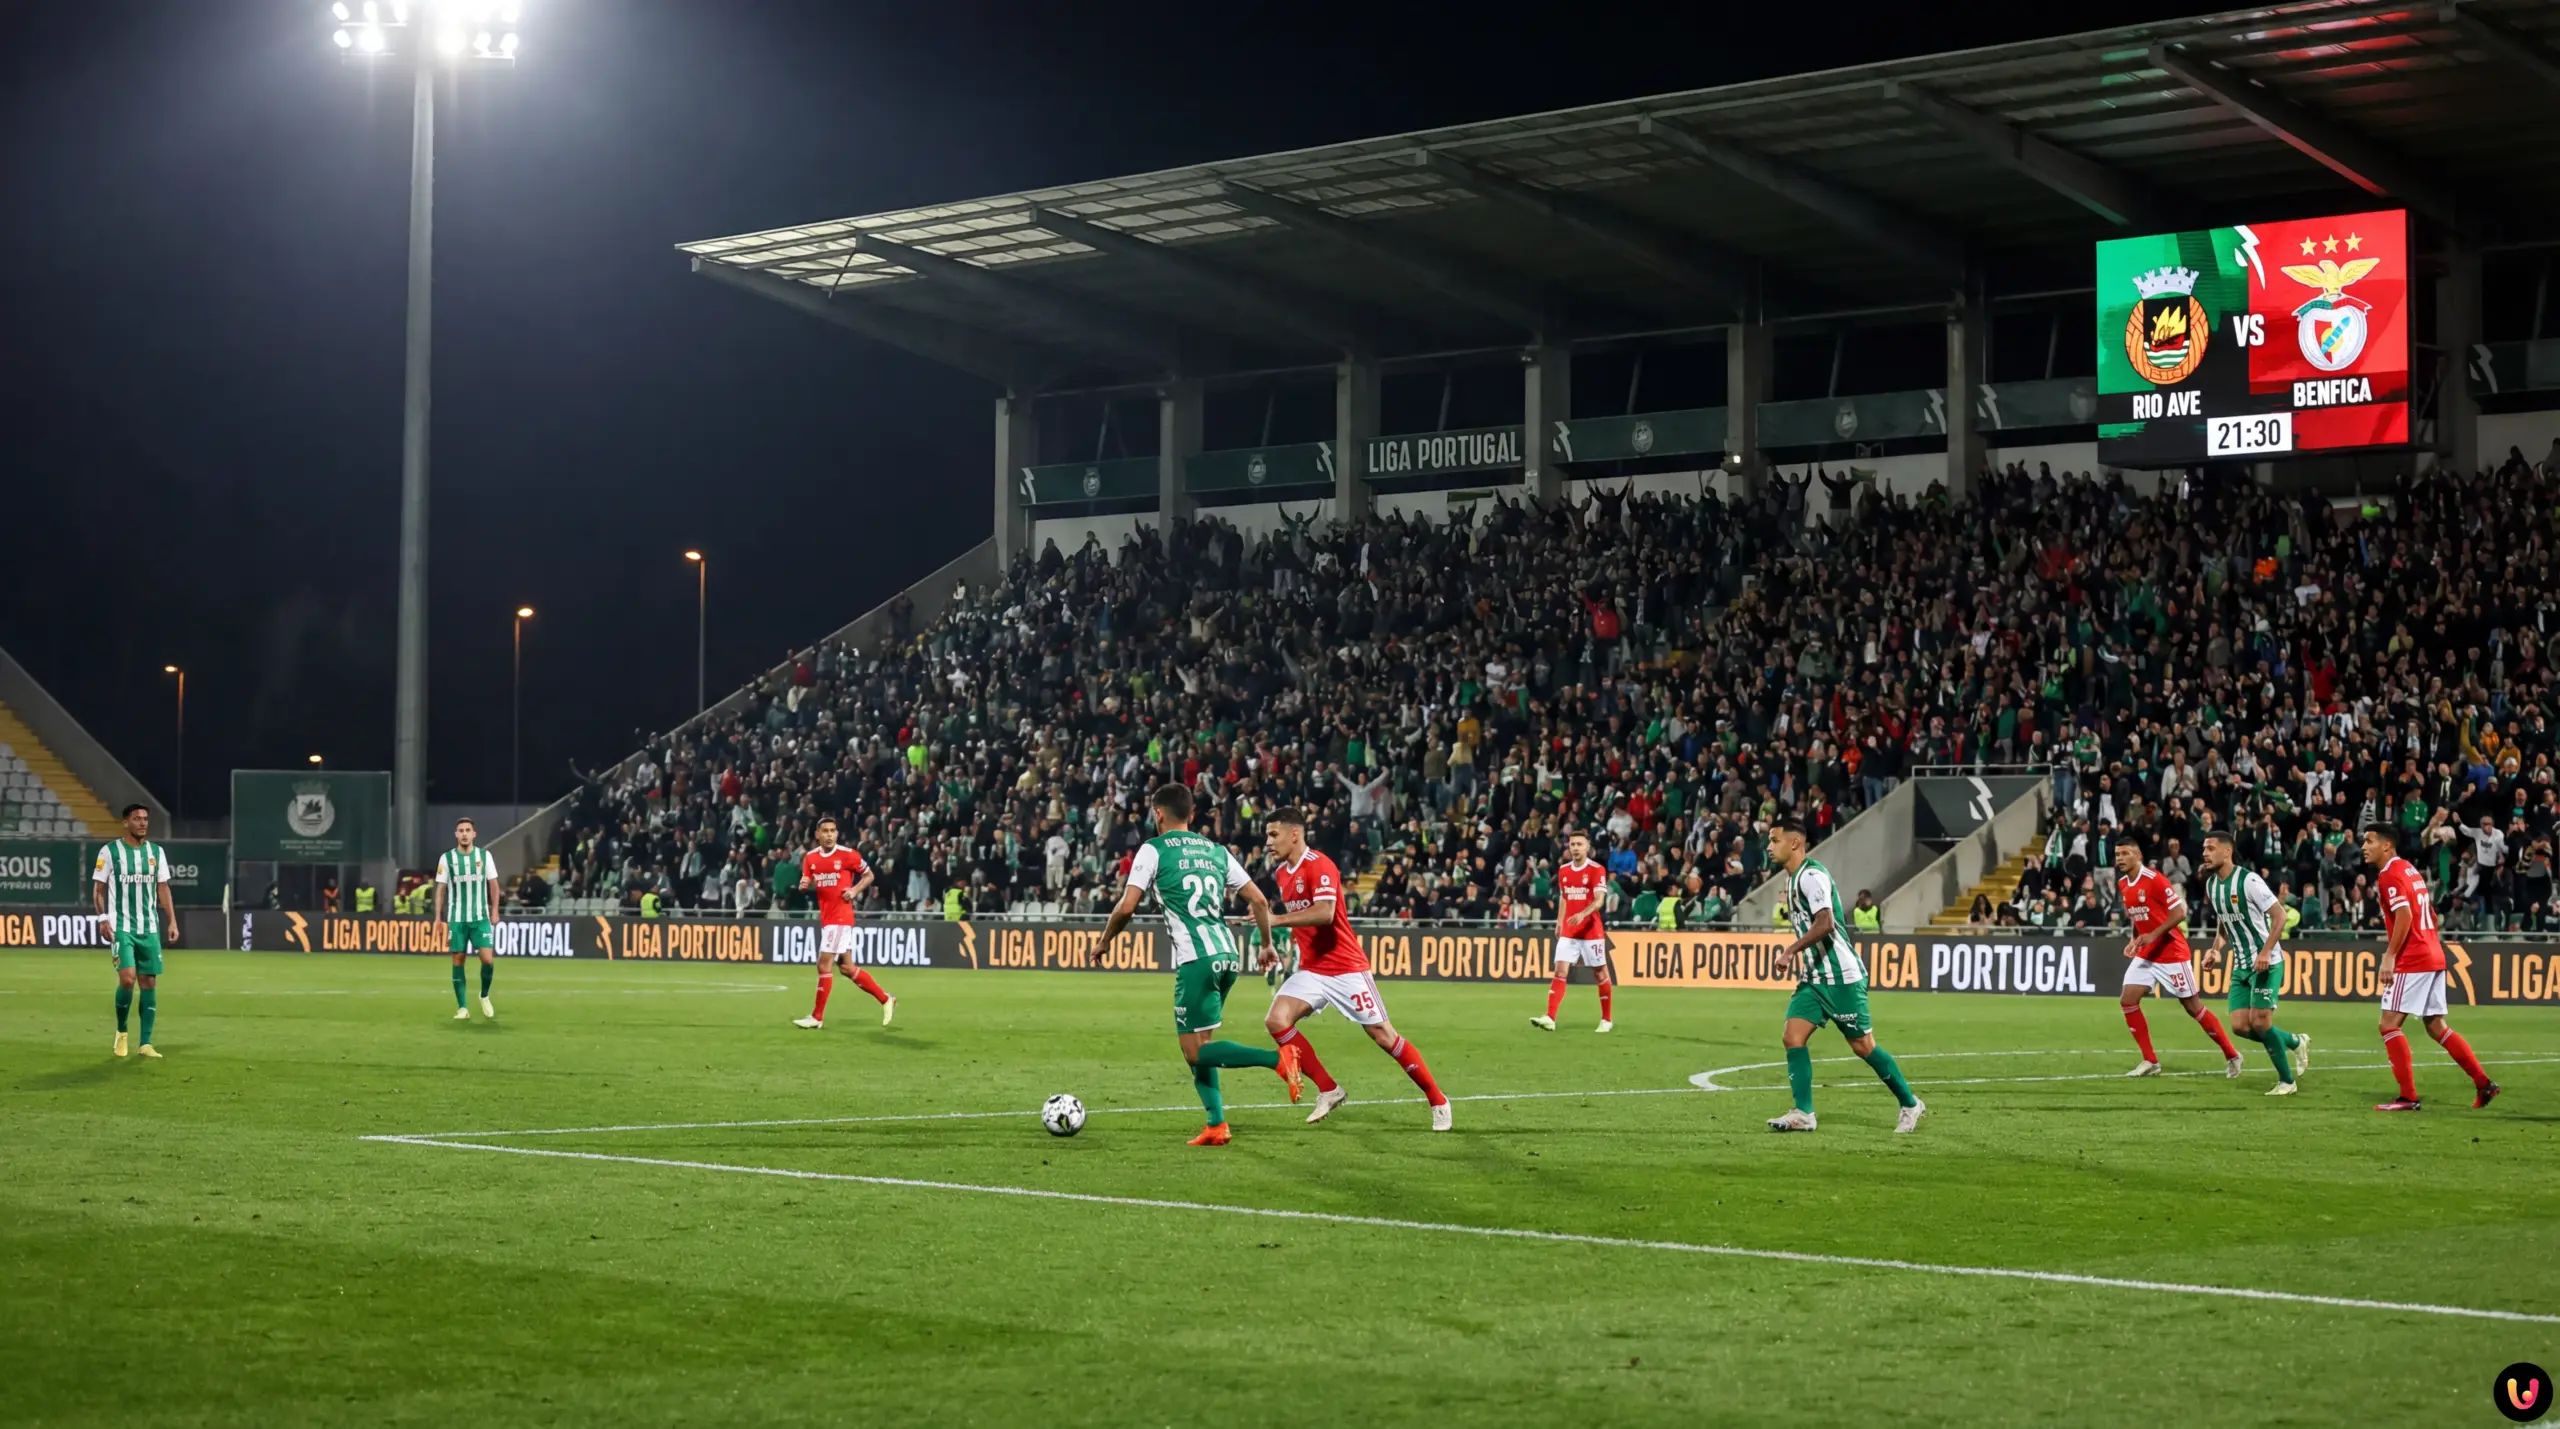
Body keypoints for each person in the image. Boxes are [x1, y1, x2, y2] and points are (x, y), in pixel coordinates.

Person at [1097, 784, 1289, 1145]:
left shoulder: (1153, 850)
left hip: (1196, 959)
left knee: (1195, 1051)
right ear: (1191, 814)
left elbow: (1126, 906)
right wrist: (1265, 945)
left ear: (1158, 813)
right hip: (1228, 955)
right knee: (1202, 1045)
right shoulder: (1216, 850)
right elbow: (1261, 901)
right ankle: (1216, 1125)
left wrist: (1106, 940)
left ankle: (1278, 1060)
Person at [1261, 806, 1452, 1131]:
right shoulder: (1282, 874)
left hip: (1345, 968)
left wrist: (1277, 919)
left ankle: (1438, 1100)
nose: (1268, 841)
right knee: (1277, 1020)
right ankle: (1329, 1089)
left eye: (1273, 834)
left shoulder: (1320, 866)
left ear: (1295, 834)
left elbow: (1324, 913)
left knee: (1382, 1035)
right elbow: (1303, 923)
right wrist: (1276, 944)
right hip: (1312, 970)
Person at [1763, 817, 1923, 1134]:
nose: (1769, 847)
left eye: (1775, 840)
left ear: (1795, 842)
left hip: (1842, 978)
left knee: (1863, 1046)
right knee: (1792, 1037)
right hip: (1815, 978)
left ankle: (1909, 1103)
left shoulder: (1811, 877)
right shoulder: (1792, 880)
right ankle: (1804, 1113)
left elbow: (1826, 923)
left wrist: (1791, 950)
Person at [2363, 829, 2499, 1111]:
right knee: (2436, 1026)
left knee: (2388, 1024)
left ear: (2387, 845)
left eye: (2369, 841)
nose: (2364, 846)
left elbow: (2405, 914)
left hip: (2413, 958)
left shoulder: (2388, 874)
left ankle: (2408, 1097)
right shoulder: (2410, 870)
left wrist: (2390, 956)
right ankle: (2484, 1084)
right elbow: (2431, 915)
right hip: (2433, 953)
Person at [2112, 837, 2243, 1079]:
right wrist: (2135, 939)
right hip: (2148, 952)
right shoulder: (2123, 884)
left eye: (2125, 853)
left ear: (2137, 855)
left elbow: (2180, 912)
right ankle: (2150, 1061)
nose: (2120, 858)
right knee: (2128, 1000)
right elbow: (2137, 916)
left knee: (2193, 1008)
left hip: (2172, 952)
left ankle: (2232, 1054)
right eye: (2117, 854)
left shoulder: (2154, 880)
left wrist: (2152, 934)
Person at [2197, 832, 2307, 1096]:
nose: (2205, 853)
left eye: (2211, 849)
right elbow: (2224, 924)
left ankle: (2287, 1081)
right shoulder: (2212, 885)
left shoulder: (2249, 881)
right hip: (2241, 965)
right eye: (2204, 849)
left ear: (2227, 852)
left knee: (2260, 1022)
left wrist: (2266, 952)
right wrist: (2215, 950)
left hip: (2266, 963)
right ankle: (2295, 1041)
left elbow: (2279, 917)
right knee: (2239, 1026)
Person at [793, 816, 895, 1030]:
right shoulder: (810, 858)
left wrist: (855, 890)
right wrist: (804, 884)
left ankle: (817, 1017)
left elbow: (869, 875)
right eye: (825, 831)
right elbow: (807, 881)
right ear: (817, 835)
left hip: (840, 918)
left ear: (837, 833)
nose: (829, 835)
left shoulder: (848, 855)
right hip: (827, 917)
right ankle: (885, 999)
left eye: (833, 830)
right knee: (847, 968)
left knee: (823, 964)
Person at [95, 803, 178, 1059]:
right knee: (128, 978)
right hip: (121, 926)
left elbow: (163, 888)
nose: (142, 823)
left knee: (149, 982)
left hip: (149, 927)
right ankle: (121, 1032)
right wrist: (102, 918)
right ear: (126, 823)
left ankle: (145, 1043)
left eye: (145, 819)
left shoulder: (156, 852)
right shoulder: (110, 851)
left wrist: (172, 921)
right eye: (137, 819)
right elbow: (98, 889)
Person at [1532, 831, 1612, 1032]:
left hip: (1591, 930)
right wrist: (1559, 922)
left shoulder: (1597, 870)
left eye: (1580, 844)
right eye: (1572, 844)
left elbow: (1599, 900)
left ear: (1587, 847)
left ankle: (1606, 1019)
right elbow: (1564, 897)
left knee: (1600, 973)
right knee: (1560, 971)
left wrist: (1583, 914)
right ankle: (1550, 1017)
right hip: (1569, 930)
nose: (1575, 847)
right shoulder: (1564, 871)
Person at [435, 817, 503, 1021]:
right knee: (458, 960)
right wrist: (438, 918)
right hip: (457, 919)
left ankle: (484, 995)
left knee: (487, 959)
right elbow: (441, 890)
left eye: (468, 830)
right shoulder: (447, 859)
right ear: (456, 835)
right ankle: (462, 1007)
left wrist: (495, 911)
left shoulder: (485, 856)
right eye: (460, 830)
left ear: (474, 834)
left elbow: (494, 885)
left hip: (480, 917)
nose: (464, 833)